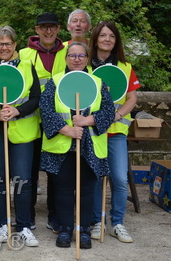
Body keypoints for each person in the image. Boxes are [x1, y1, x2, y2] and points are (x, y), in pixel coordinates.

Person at [39, 42, 114, 249]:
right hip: (62, 146)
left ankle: (84, 230)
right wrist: (68, 129)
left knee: (87, 189)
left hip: (90, 147)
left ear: (87, 58)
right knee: (62, 189)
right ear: (66, 59)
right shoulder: (55, 82)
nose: (77, 59)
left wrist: (87, 121)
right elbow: (46, 111)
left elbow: (108, 112)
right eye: (72, 55)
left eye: (81, 55)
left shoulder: (98, 83)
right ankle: (65, 229)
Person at [0, 26, 41, 246]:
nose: (4, 47)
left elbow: (35, 98)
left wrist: (17, 110)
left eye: (8, 43)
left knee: (23, 179)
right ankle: (3, 224)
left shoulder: (26, 66)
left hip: (22, 131)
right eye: (0, 43)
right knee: (0, 179)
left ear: (15, 45)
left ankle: (23, 226)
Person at [89, 21, 140, 243]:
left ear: (116, 40)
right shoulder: (86, 67)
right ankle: (97, 221)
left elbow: (132, 98)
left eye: (111, 36)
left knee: (119, 179)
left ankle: (116, 223)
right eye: (103, 35)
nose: (107, 39)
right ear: (96, 39)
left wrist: (116, 116)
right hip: (93, 132)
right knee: (95, 178)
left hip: (116, 132)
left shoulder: (125, 66)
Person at [19, 12, 67, 232]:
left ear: (58, 29)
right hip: (30, 122)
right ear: (36, 30)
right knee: (29, 172)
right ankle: (26, 217)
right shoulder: (23, 54)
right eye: (44, 27)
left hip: (57, 123)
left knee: (55, 173)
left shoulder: (69, 53)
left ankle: (55, 216)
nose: (48, 31)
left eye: (52, 27)